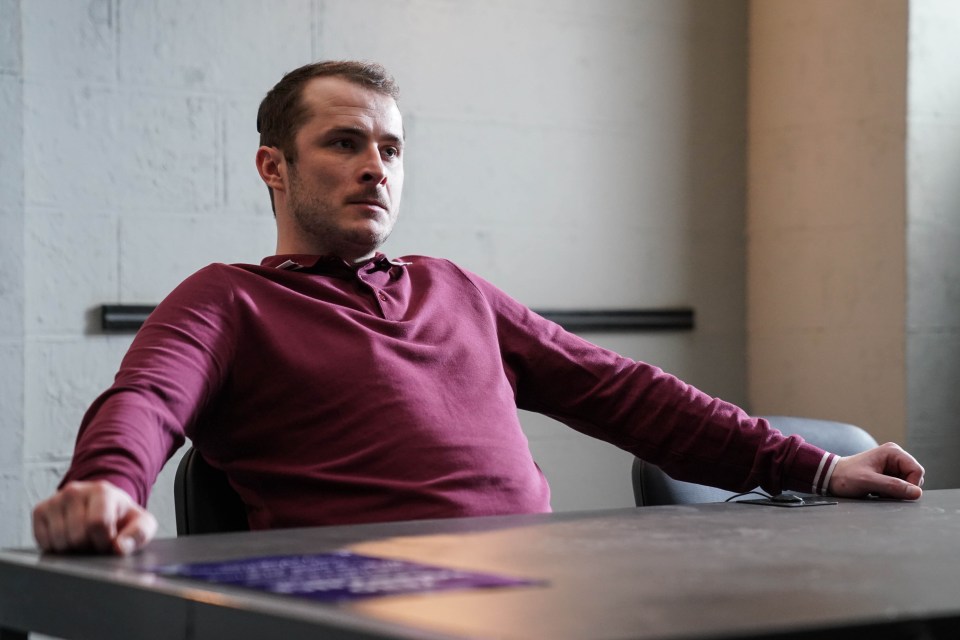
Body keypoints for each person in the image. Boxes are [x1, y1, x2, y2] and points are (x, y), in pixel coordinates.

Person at [32, 60, 925, 556]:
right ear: (275, 167)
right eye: (344, 143)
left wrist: (814, 470)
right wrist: (105, 489)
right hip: (368, 609)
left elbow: (626, 391)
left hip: (536, 597)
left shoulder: (451, 287)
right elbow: (144, 402)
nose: (375, 166)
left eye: (390, 147)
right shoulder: (229, 299)